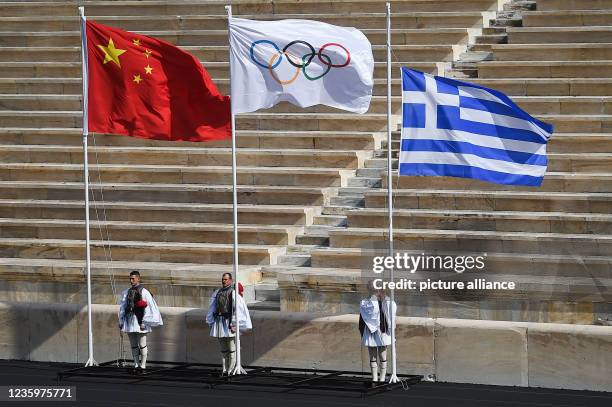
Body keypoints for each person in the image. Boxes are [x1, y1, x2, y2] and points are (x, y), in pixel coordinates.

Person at [206, 273, 252, 376]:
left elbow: (238, 310)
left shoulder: (233, 293)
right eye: (223, 279)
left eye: (226, 279)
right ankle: (225, 369)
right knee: (223, 348)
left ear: (230, 280)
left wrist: (235, 323)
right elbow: (212, 307)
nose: (224, 281)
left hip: (228, 322)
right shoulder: (217, 292)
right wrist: (210, 321)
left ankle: (231, 370)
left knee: (232, 348)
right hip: (219, 322)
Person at [118, 270, 163, 374]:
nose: (131, 280)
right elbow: (122, 308)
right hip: (129, 321)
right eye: (130, 278)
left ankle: (143, 366)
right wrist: (121, 321)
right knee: (133, 344)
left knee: (142, 344)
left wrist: (144, 321)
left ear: (138, 279)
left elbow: (149, 307)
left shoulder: (144, 292)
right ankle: (136, 364)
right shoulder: (126, 292)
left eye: (133, 278)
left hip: (140, 321)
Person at [359, 280, 397, 384]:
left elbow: (391, 314)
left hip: (382, 330)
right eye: (373, 288)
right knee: (372, 356)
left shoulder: (388, 302)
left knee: (382, 355)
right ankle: (375, 378)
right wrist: (374, 299)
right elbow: (370, 313)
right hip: (371, 330)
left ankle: (382, 377)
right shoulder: (366, 302)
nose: (375, 291)